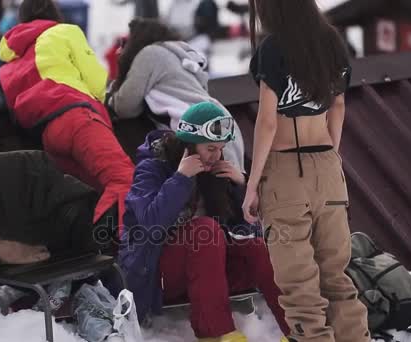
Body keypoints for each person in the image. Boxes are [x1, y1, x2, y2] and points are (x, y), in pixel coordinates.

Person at [241, 1, 370, 342]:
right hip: (328, 165)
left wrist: (252, 185)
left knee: (300, 288)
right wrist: (330, 157)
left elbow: (268, 123)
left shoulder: (273, 47)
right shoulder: (331, 41)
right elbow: (338, 105)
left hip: (286, 169)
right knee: (337, 278)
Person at [119, 102, 289, 342]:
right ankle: (217, 334)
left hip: (207, 275)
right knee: (205, 230)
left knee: (255, 248)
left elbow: (250, 230)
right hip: (157, 277)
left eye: (220, 148)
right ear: (188, 144)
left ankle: (299, 330)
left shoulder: (216, 174)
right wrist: (180, 179)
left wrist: (243, 187)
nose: (216, 155)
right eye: (210, 148)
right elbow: (150, 225)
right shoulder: (151, 168)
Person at [0, 0, 134, 227]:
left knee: (92, 193)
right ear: (54, 13)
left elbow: (6, 105)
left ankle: (96, 247)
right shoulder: (64, 31)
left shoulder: (8, 62)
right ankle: (129, 251)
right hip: (77, 118)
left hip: (47, 136)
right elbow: (96, 79)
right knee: (124, 181)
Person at [109, 18, 245, 171]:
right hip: (222, 126)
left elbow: (124, 106)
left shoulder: (150, 53)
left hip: (202, 135)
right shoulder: (182, 57)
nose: (120, 51)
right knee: (232, 188)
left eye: (125, 43)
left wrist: (112, 94)